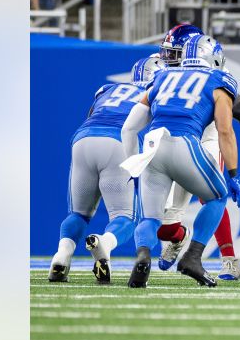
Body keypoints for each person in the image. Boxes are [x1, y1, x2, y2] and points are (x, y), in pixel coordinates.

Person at [118, 35, 240, 288]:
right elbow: (225, 131)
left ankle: (143, 253)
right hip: (185, 142)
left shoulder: (161, 76)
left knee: (149, 219)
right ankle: (193, 257)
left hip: (152, 147)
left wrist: (134, 164)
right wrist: (233, 174)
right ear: (215, 57)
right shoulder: (219, 80)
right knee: (217, 197)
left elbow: (129, 127)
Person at [148, 26, 240, 280]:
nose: (167, 58)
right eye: (167, 52)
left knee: (212, 194)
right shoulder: (164, 75)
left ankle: (229, 260)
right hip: (172, 138)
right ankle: (178, 235)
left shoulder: (214, 76)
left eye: (174, 53)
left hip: (207, 137)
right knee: (165, 224)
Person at [47, 55, 161, 283]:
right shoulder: (158, 92)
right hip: (118, 143)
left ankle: (62, 256)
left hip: (83, 139)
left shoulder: (107, 89)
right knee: (125, 217)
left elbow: (93, 114)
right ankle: (105, 244)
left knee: (78, 214)